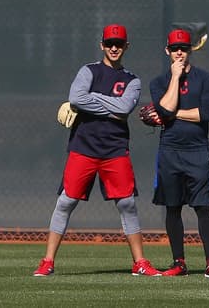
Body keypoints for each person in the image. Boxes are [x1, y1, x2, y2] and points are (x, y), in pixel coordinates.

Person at [33, 24, 160, 277]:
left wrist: (94, 100)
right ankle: (47, 261)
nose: (114, 47)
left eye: (119, 44)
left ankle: (140, 262)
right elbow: (77, 98)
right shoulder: (88, 70)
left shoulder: (132, 80)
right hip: (84, 145)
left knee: (127, 203)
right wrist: (109, 107)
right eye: (110, 43)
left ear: (126, 47)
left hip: (115, 148)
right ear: (102, 45)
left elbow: (123, 109)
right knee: (66, 201)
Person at [149, 27, 209, 278]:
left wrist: (168, 115)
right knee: (173, 207)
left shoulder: (206, 79)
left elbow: (205, 114)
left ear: (191, 50)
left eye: (183, 48)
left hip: (197, 151)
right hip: (170, 151)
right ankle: (178, 263)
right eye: (174, 49)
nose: (179, 53)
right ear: (167, 51)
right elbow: (167, 105)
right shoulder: (159, 82)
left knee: (203, 207)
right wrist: (174, 77)